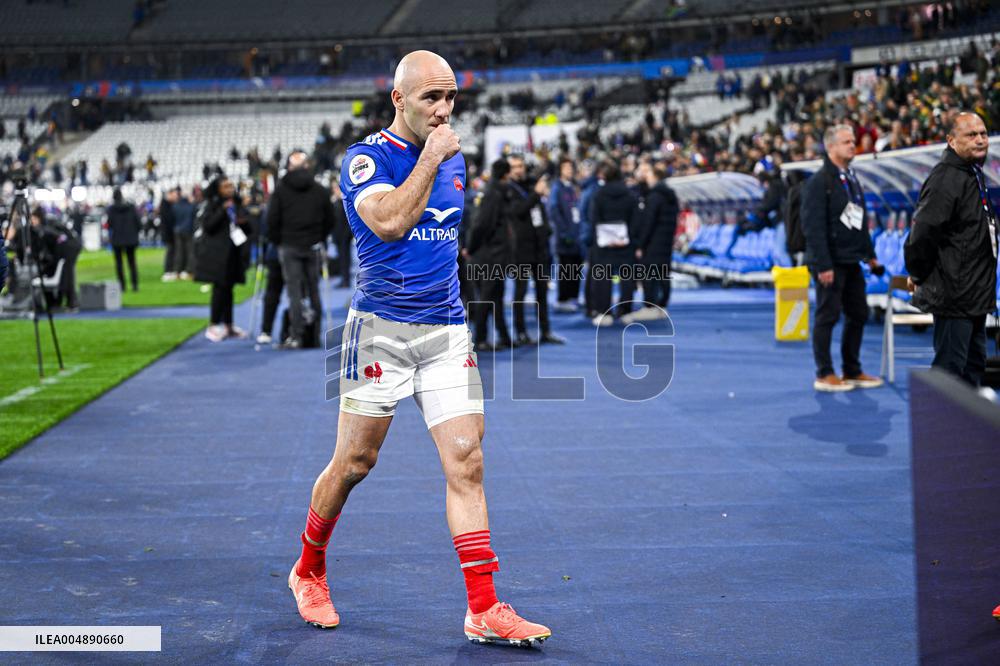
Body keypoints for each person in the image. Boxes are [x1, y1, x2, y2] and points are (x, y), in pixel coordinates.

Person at [288, 50, 551, 648]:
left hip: (446, 329)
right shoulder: (365, 159)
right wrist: (430, 158)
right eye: (431, 97)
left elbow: (443, 242)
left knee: (468, 460)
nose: (444, 109)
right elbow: (388, 224)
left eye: (451, 96)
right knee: (355, 463)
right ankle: (308, 569)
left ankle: (483, 607)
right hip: (380, 329)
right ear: (398, 99)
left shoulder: (455, 158)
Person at [904, 112, 999, 386]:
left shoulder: (972, 173)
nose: (980, 140)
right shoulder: (945, 178)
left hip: (974, 294)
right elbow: (922, 234)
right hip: (955, 295)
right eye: (971, 135)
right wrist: (918, 274)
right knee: (950, 372)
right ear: (951, 141)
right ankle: (940, 416)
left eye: (983, 134)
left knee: (972, 368)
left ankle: (963, 416)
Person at [801, 124, 884, 392]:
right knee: (827, 315)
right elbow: (812, 227)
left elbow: (859, 221)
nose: (852, 145)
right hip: (830, 262)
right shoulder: (819, 182)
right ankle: (824, 372)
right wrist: (823, 264)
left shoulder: (851, 179)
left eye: (853, 141)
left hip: (851, 259)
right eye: (846, 142)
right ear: (831, 147)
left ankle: (852, 369)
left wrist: (870, 255)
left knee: (858, 313)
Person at [266, 151, 335, 349]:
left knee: (294, 292)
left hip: (289, 245)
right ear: (307, 166)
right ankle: (315, 335)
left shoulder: (281, 190)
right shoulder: (320, 190)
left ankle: (296, 335)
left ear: (289, 167)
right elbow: (331, 219)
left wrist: (279, 240)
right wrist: (319, 237)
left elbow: (272, 219)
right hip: (313, 245)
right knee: (314, 290)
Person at [507, 154, 564, 345]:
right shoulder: (509, 189)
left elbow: (539, 211)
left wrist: (546, 231)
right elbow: (518, 211)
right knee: (520, 292)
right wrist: (536, 194)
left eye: (521, 166)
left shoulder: (532, 185)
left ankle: (546, 331)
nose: (519, 170)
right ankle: (521, 332)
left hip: (539, 247)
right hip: (521, 249)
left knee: (542, 291)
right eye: (515, 166)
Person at [465, 158, 516, 351]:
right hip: (489, 255)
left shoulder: (494, 191)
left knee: (496, 296)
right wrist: (470, 248)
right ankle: (479, 338)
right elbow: (481, 225)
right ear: (506, 174)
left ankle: (503, 336)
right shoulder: (493, 194)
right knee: (487, 298)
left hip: (493, 253)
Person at [193, 176, 251, 342]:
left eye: (231, 186)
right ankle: (213, 325)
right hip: (217, 254)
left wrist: (243, 222)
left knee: (229, 289)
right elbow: (208, 226)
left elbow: (247, 228)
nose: (230, 189)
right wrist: (222, 211)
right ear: (217, 189)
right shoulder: (211, 204)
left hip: (233, 253)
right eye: (225, 186)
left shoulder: (236, 203)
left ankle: (228, 325)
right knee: (219, 289)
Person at [587, 161, 638, 326]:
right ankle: (625, 311)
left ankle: (604, 312)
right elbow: (636, 220)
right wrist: (629, 237)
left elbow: (594, 219)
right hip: (626, 243)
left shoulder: (598, 195)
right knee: (627, 278)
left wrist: (601, 238)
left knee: (603, 278)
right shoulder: (630, 195)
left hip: (604, 243)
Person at [627, 162, 677, 322]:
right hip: (666, 241)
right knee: (663, 274)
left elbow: (648, 223)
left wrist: (640, 244)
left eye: (648, 174)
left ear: (655, 177)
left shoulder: (654, 197)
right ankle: (662, 305)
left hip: (653, 242)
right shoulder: (671, 196)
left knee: (649, 273)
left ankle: (650, 306)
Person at [547, 157, 583, 313]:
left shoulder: (574, 187)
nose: (569, 170)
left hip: (577, 234)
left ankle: (574, 296)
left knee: (576, 267)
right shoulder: (557, 188)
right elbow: (553, 211)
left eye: (571, 167)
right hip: (565, 236)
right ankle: (563, 298)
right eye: (566, 168)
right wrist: (563, 232)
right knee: (566, 267)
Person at [106, 189, 141, 292]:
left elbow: (109, 224)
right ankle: (135, 285)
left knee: (119, 264)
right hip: (130, 239)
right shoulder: (131, 207)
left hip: (117, 239)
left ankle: (122, 286)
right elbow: (138, 223)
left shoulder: (111, 209)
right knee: (132, 263)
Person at [172, 187, 196, 279]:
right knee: (190, 251)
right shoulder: (191, 206)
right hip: (188, 230)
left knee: (179, 251)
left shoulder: (175, 206)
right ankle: (188, 270)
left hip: (177, 230)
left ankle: (178, 270)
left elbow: (173, 218)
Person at [159, 188, 178, 281]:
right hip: (168, 233)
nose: (176, 197)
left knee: (172, 252)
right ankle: (168, 271)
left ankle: (171, 270)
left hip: (169, 233)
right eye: (174, 195)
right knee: (170, 252)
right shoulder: (165, 205)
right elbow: (169, 220)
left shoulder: (167, 204)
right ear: (170, 194)